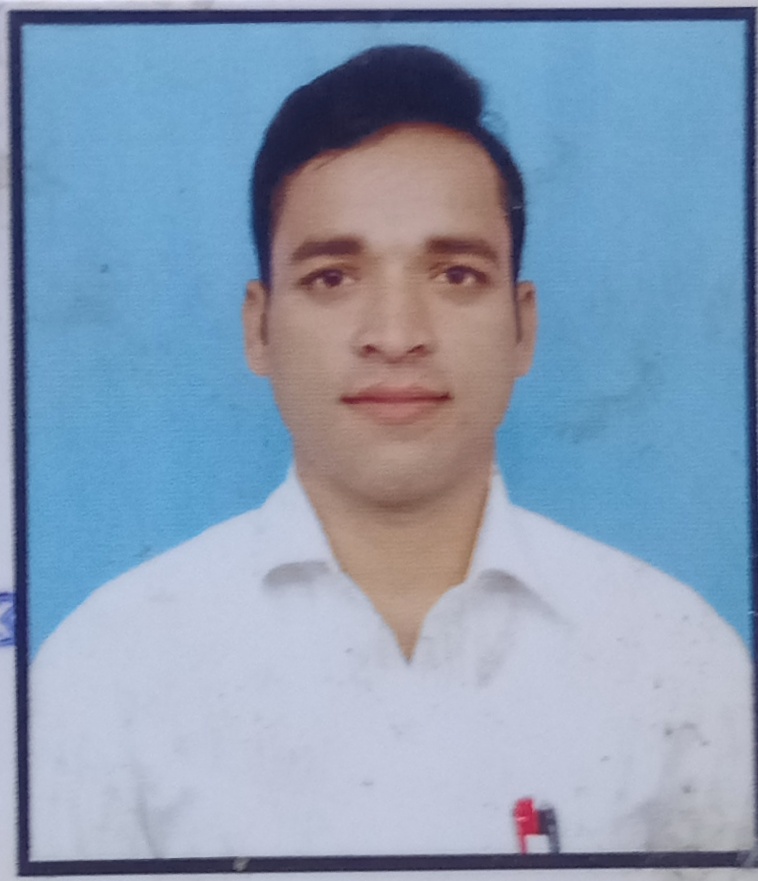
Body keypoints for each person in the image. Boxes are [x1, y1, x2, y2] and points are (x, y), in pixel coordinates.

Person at [31, 45, 753, 860]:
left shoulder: (679, 656)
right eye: (333, 278)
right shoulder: (106, 670)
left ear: (523, 326)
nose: (397, 335)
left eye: (455, 274)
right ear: (259, 327)